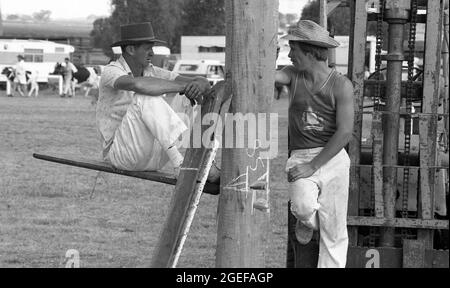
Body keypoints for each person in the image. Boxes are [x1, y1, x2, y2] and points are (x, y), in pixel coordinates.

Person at [96, 22, 220, 183]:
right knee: (144, 96)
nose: (152, 53)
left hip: (154, 155)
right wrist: (186, 86)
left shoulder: (151, 70)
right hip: (121, 155)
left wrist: (198, 83)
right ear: (131, 49)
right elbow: (137, 85)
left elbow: (200, 81)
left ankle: (201, 161)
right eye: (147, 48)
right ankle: (180, 164)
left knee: (185, 96)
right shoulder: (111, 71)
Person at [275, 20, 355, 268]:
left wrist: (314, 165)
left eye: (293, 50)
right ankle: (308, 219)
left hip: (332, 158)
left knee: (334, 231)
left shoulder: (341, 85)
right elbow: (267, 76)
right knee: (302, 207)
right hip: (300, 156)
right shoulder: (291, 74)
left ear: (309, 51)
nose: (290, 55)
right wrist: (271, 54)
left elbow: (344, 133)